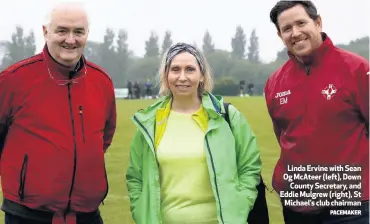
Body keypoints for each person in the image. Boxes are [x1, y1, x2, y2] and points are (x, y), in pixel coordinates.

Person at [0, 2, 116, 224]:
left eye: (78, 32)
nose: (70, 39)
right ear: (46, 32)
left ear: (87, 34)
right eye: (62, 30)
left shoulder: (102, 81)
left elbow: (104, 138)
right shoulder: (14, 80)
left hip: (87, 214)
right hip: (28, 214)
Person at [126, 43, 262, 224]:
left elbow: (250, 167)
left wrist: (241, 204)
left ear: (202, 76)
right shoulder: (148, 122)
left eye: (190, 69)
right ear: (166, 76)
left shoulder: (227, 116)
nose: (182, 77)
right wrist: (141, 212)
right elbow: (135, 177)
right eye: (175, 69)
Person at [265, 1, 369, 224]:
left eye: (301, 23)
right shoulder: (274, 83)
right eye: (287, 29)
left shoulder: (358, 70)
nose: (296, 33)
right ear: (279, 34)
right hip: (297, 208)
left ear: (318, 22)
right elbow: (283, 137)